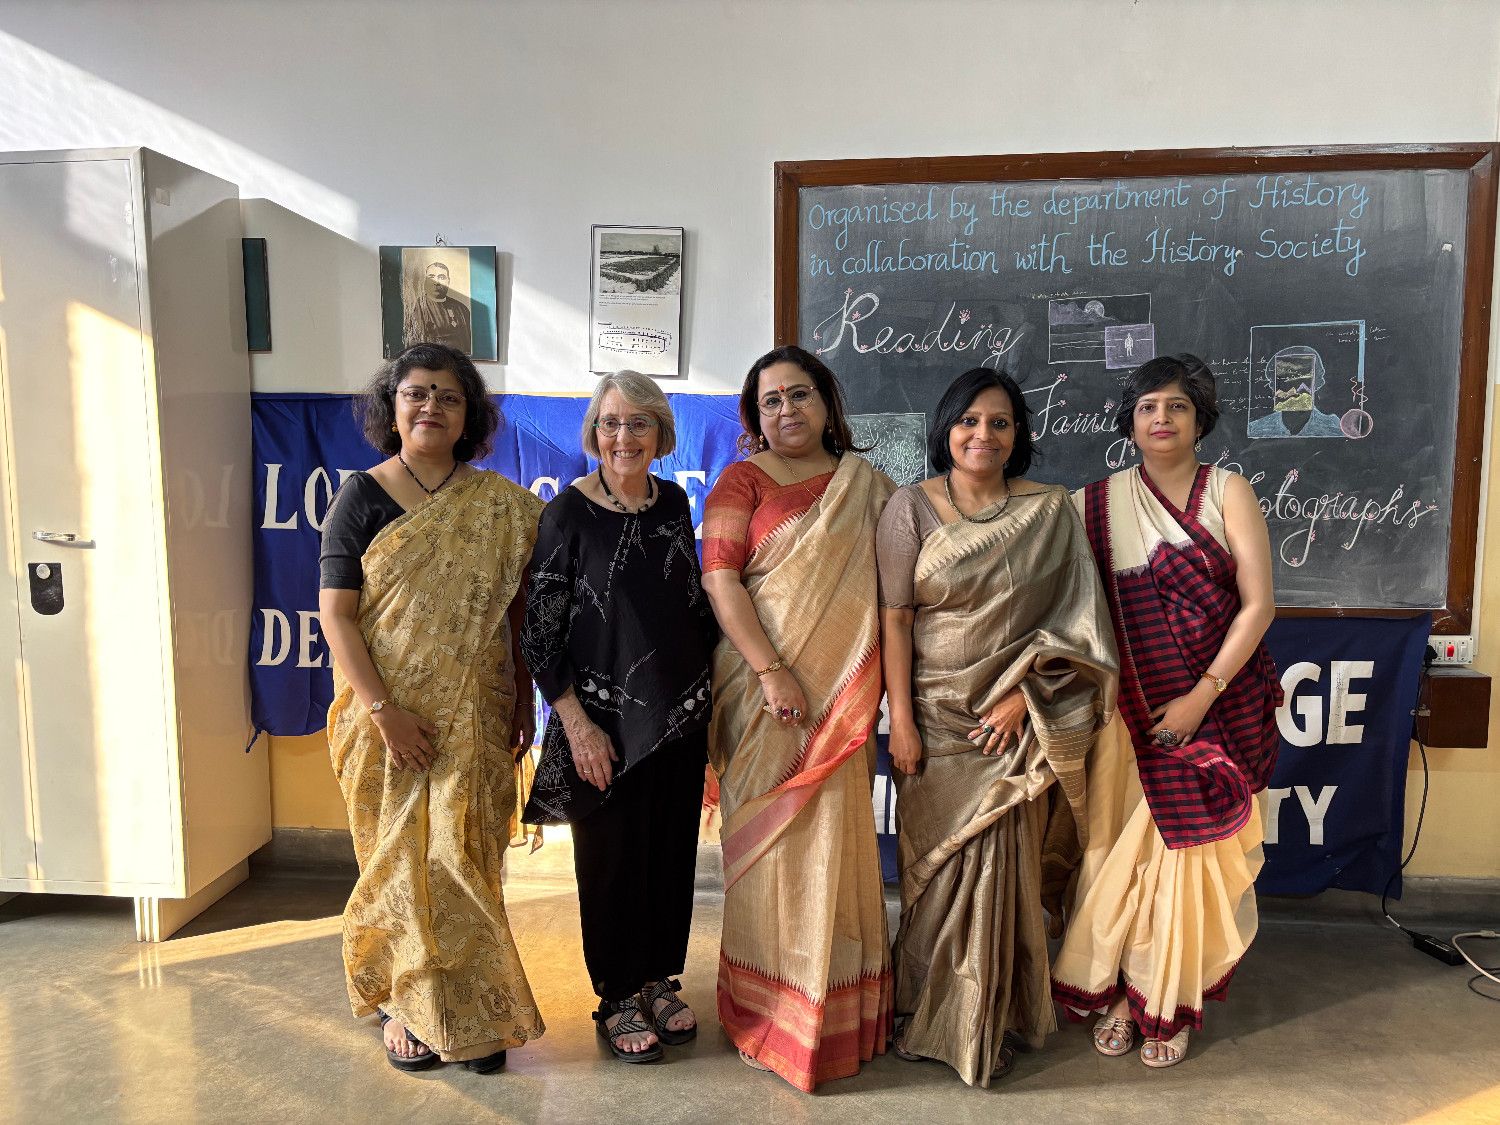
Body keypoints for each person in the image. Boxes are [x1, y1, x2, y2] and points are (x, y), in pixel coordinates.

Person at [877, 367, 1118, 1087]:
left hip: (1013, 719)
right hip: (936, 716)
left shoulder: (1049, 511)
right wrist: (901, 722)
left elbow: (1077, 623)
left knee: (1006, 870)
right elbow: (896, 618)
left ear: (1018, 435)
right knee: (933, 873)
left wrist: (1028, 694)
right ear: (946, 428)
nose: (983, 434)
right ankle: (929, 1010)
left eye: (1000, 422)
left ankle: (994, 1014)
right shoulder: (909, 507)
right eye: (969, 420)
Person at [319, 342, 544, 1074]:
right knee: (399, 867)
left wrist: (522, 691)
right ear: (393, 408)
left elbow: (514, 613)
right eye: (416, 393)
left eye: (449, 396)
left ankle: (475, 1004)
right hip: (386, 720)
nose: (431, 407)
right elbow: (337, 617)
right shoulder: (361, 497)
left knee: (464, 861)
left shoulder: (501, 507)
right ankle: (406, 1005)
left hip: (476, 711)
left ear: (468, 414)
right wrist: (384, 711)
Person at [1051, 353, 1282, 1069]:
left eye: (1177, 406)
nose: (1161, 418)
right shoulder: (1092, 504)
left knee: (1189, 860)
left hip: (1219, 704)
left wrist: (1200, 695)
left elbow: (1258, 606)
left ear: (1199, 419)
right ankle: (1125, 994)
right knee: (1118, 858)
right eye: (1147, 406)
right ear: (1129, 421)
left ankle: (1170, 999)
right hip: (1128, 715)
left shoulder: (1228, 491)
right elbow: (1068, 611)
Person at [701, 344, 895, 1092]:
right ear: (756, 415)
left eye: (800, 394)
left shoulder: (866, 486)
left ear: (827, 403)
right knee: (767, 853)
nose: (787, 409)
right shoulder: (742, 480)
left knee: (834, 848)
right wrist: (771, 668)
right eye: (771, 400)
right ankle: (767, 1009)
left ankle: (835, 1011)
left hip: (841, 696)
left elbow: (896, 588)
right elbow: (721, 580)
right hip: (762, 692)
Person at [520, 371, 717, 1064]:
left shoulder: (674, 502)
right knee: (611, 863)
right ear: (593, 433)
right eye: (610, 422)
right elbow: (539, 634)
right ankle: (616, 996)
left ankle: (658, 978)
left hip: (678, 714)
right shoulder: (567, 515)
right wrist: (577, 725)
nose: (623, 436)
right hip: (601, 722)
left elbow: (688, 605)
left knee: (669, 855)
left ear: (661, 433)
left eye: (638, 422)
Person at [403, 258, 473, 353]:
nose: (436, 282)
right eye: (431, 277)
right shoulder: (417, 308)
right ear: (425, 281)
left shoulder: (461, 309)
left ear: (448, 281)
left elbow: (468, 345)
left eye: (441, 277)